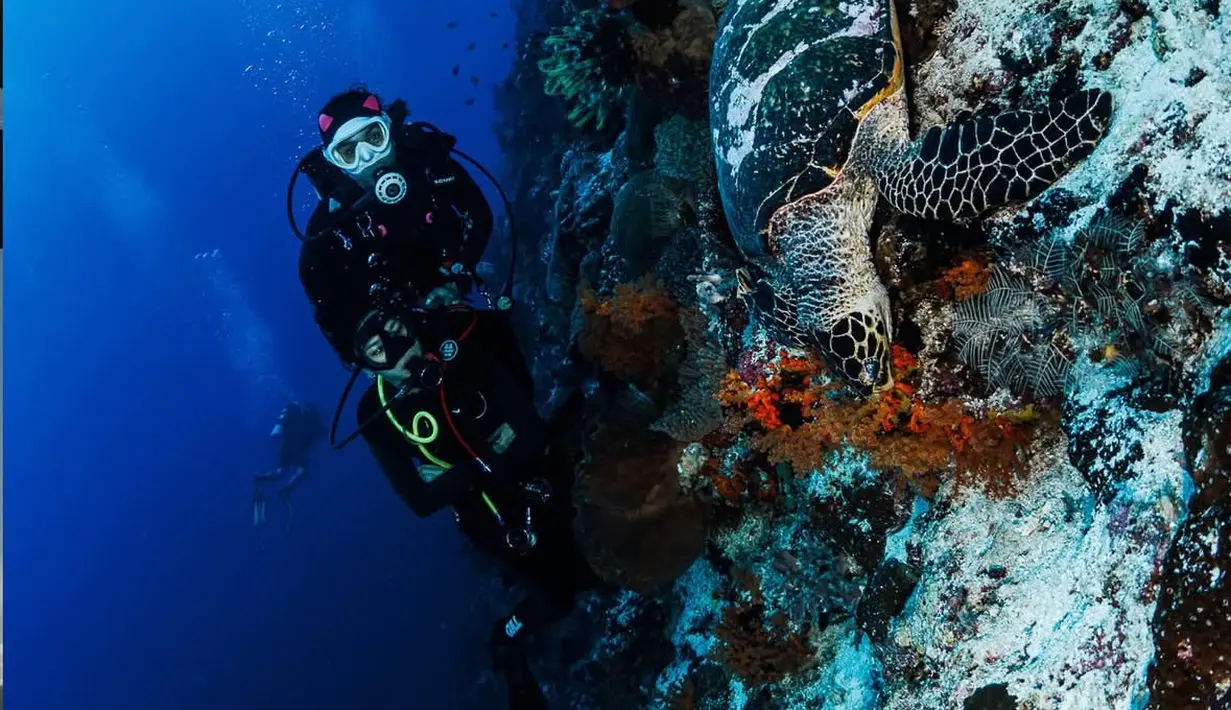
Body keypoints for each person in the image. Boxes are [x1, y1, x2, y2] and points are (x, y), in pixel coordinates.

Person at [290, 86, 506, 351]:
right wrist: (370, 349)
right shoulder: (333, 222)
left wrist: (458, 277)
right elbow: (322, 295)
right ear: (336, 163)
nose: (368, 157)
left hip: (448, 280)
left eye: (374, 137)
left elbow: (478, 215)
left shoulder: (430, 164)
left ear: (389, 130)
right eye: (349, 153)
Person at [253, 401, 326, 529]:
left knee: (281, 472)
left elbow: (282, 428)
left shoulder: (293, 415)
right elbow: (322, 432)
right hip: (298, 449)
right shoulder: (311, 420)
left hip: (286, 448)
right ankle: (287, 488)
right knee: (302, 470)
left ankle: (261, 478)